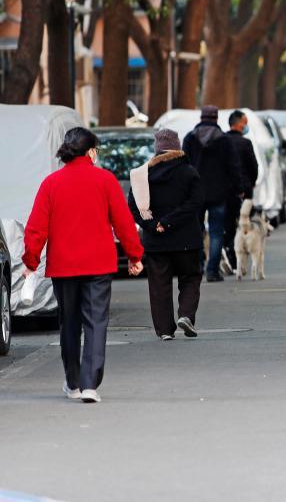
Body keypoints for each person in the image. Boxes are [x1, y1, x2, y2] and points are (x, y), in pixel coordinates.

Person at [23, 127, 144, 403]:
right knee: (96, 321)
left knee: (69, 323)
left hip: (63, 266)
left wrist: (31, 261)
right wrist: (135, 255)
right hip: (99, 263)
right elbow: (124, 222)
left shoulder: (51, 183)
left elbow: (36, 228)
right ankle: (91, 384)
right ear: (90, 151)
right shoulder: (105, 180)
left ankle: (73, 382)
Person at [128, 129, 205, 341]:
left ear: (157, 149)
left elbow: (133, 206)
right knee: (190, 277)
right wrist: (170, 221)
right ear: (177, 147)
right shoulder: (189, 172)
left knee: (159, 285)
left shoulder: (142, 176)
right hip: (186, 239)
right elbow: (196, 201)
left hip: (156, 242)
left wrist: (153, 225)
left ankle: (164, 330)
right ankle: (186, 314)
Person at [182, 105, 241, 282]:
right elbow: (233, 166)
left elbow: (184, 165)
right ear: (216, 119)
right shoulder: (224, 140)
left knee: (196, 231)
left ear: (201, 118)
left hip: (195, 193)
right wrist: (239, 189)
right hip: (219, 193)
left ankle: (197, 267)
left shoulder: (190, 138)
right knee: (216, 232)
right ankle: (212, 271)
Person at [224, 110, 259, 269]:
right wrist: (252, 182)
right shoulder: (245, 143)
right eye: (245, 123)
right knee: (245, 223)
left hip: (226, 190)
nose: (246, 126)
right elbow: (253, 166)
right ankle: (245, 254)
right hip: (245, 189)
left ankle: (231, 255)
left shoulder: (222, 141)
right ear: (238, 124)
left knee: (229, 225)